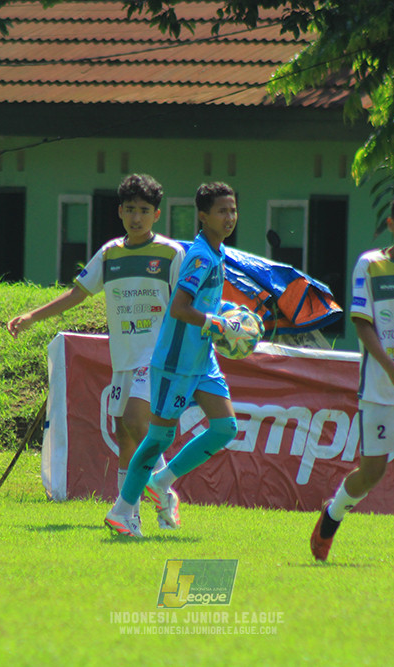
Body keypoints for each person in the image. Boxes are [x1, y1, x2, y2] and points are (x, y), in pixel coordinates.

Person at [7, 173, 184, 528]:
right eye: (130, 209)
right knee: (124, 435)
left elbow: (185, 303)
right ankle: (134, 515)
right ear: (120, 211)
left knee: (137, 422)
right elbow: (77, 294)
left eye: (144, 210)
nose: (137, 217)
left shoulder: (171, 253)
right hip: (123, 358)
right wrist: (33, 315)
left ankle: (155, 494)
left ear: (157, 215)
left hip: (158, 356)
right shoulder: (109, 254)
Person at [310, 191, 394, 569]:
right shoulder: (370, 265)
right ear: (391, 224)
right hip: (380, 384)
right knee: (374, 470)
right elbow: (360, 322)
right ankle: (332, 517)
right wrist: (388, 366)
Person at [104, 182, 248, 537]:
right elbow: (180, 308)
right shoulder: (199, 256)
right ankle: (122, 512)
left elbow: (204, 305)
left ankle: (161, 481)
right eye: (221, 211)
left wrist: (226, 318)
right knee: (157, 440)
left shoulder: (218, 252)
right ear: (203, 216)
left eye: (233, 210)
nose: (229, 217)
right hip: (174, 361)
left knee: (225, 428)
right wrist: (217, 322)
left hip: (202, 358)